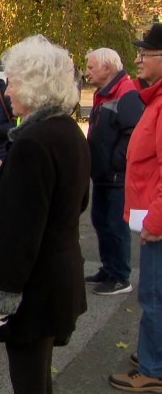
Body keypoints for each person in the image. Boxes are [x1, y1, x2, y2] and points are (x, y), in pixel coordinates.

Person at [0, 35, 90, 394]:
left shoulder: (33, 142)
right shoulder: (68, 130)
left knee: (29, 382)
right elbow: (79, 202)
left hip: (34, 289)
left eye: (11, 81)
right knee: (39, 379)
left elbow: (20, 235)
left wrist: (1, 297)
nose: (6, 91)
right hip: (60, 278)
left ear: (34, 85)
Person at [109, 22, 162, 393]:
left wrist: (156, 221)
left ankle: (153, 368)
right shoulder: (155, 97)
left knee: (154, 294)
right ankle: (151, 353)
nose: (138, 59)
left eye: (145, 53)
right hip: (152, 217)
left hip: (158, 222)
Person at [84, 48, 144, 295]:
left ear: (107, 68)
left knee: (114, 225)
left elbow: (134, 133)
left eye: (91, 67)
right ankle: (109, 269)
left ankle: (120, 276)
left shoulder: (126, 93)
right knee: (101, 222)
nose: (87, 72)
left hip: (115, 176)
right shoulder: (106, 92)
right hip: (104, 174)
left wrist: (115, 162)